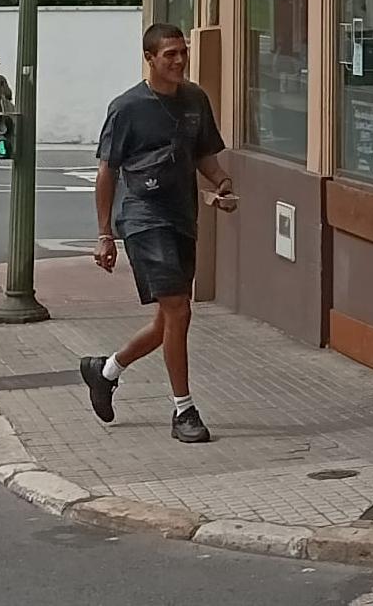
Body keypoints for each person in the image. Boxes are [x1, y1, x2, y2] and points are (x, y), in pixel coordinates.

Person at [79, 23, 237, 444]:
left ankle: (106, 371)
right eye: (170, 54)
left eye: (182, 52)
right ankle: (184, 410)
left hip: (182, 215)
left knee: (169, 317)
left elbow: (203, 154)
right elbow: (107, 170)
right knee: (179, 310)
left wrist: (221, 183)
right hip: (143, 217)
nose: (180, 60)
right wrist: (104, 234)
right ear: (149, 59)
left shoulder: (195, 100)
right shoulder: (127, 108)